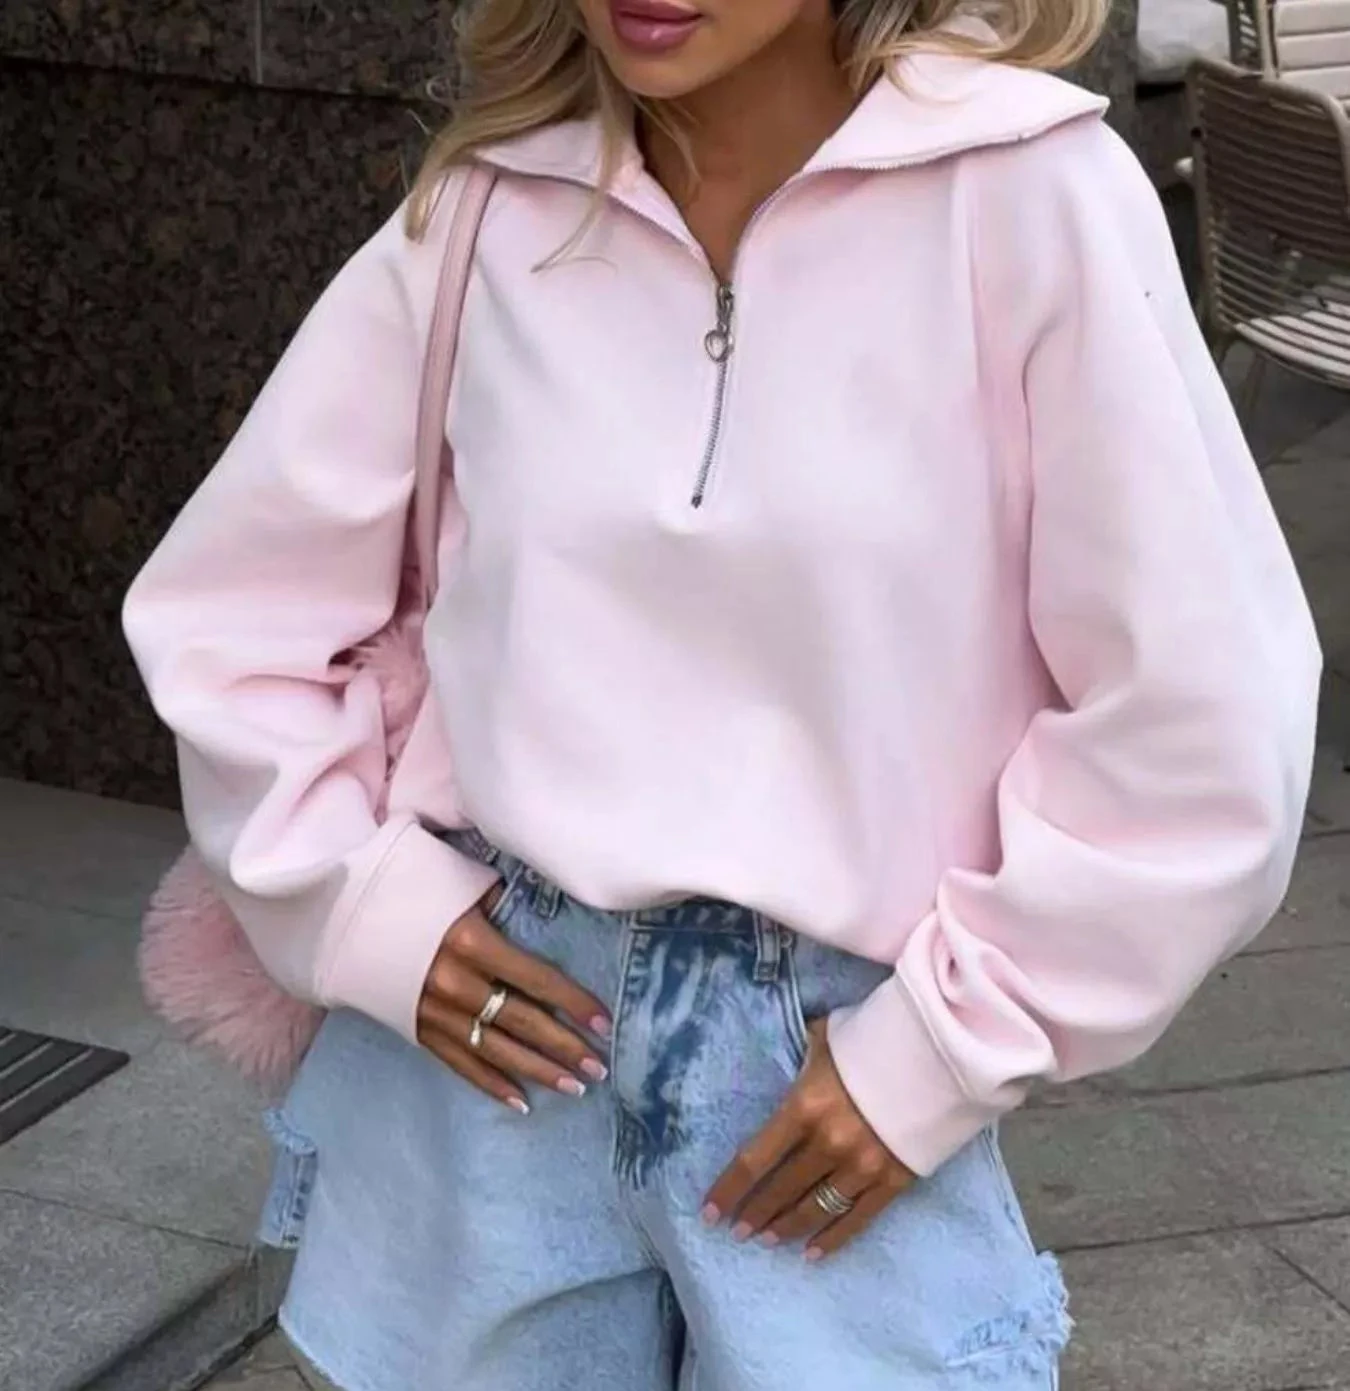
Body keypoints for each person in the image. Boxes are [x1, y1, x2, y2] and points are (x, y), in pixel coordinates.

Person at [122, 0, 1321, 1386]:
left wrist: (941, 1049)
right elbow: (233, 613)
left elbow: (1201, 707)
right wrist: (360, 905)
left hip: (829, 1053)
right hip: (496, 1042)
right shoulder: (487, 211)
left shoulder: (1028, 197)